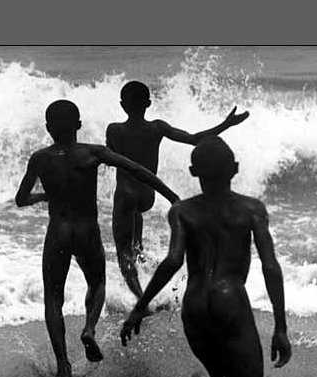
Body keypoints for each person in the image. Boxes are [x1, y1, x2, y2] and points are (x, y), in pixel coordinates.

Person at [119, 136, 292, 377]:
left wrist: (142, 305)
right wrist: (281, 327)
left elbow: (172, 261)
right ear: (236, 169)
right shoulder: (251, 209)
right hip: (231, 302)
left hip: (195, 305)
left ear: (193, 171)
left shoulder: (181, 210)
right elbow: (270, 266)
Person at [16, 100, 179, 377]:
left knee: (53, 299)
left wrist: (43, 197)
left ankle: (63, 365)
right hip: (86, 231)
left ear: (48, 128)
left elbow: (20, 199)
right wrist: (171, 196)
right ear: (78, 125)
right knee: (97, 283)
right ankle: (89, 329)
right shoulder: (93, 153)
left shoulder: (39, 158)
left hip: (57, 232)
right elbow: (138, 170)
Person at [106, 81, 249, 299]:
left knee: (123, 253)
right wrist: (226, 124)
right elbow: (194, 139)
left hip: (125, 194)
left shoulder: (114, 130)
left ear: (122, 105)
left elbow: (111, 158)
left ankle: (140, 298)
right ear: (148, 104)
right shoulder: (157, 128)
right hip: (148, 195)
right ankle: (142, 254)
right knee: (136, 225)